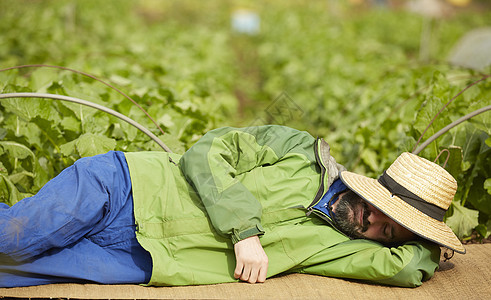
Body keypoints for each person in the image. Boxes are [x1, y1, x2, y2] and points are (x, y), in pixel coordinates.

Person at [0, 125, 465, 288]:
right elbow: (207, 150)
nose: (373, 222)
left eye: (387, 232)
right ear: (374, 192)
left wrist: (424, 235)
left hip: (140, 258)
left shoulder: (338, 246)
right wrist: (245, 231)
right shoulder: (301, 152)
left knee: (10, 269)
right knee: (12, 238)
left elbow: (408, 270)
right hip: (124, 186)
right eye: (383, 209)